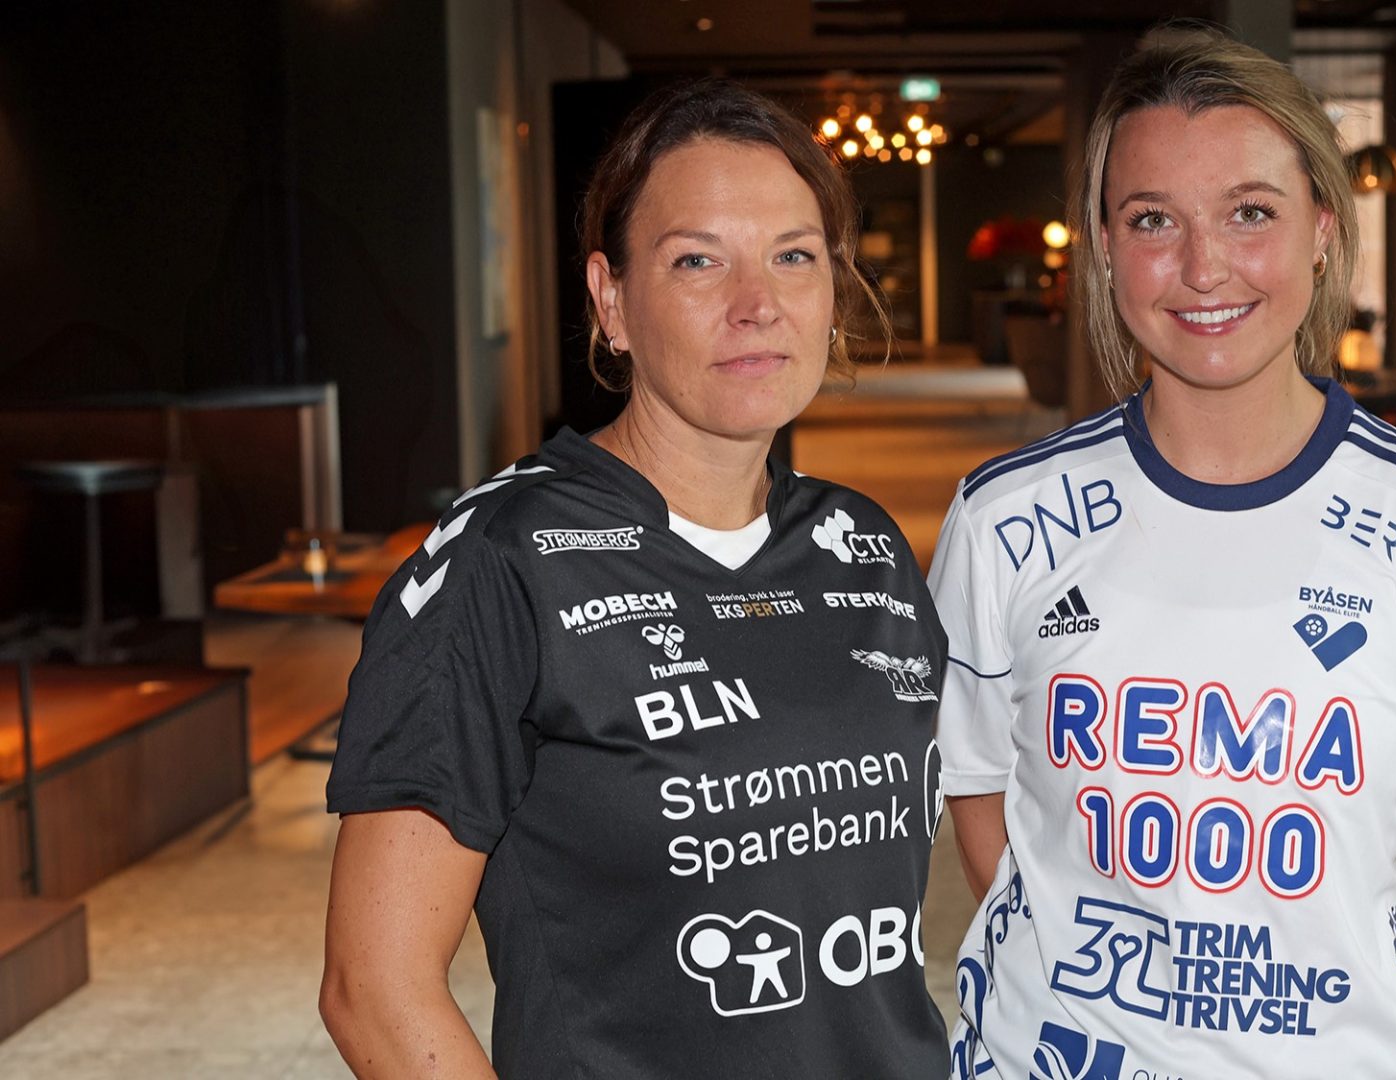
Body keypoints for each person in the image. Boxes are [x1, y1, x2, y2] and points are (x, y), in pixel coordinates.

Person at [931, 27, 1396, 1080]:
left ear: (1322, 228)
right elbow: (983, 796)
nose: (1203, 267)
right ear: (1104, 246)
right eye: (1152, 220)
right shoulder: (1004, 520)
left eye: (1250, 213)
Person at [320, 78, 949, 1078]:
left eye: (793, 256)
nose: (757, 305)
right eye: (698, 260)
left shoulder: (864, 545)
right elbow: (374, 989)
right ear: (610, 301)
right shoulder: (501, 560)